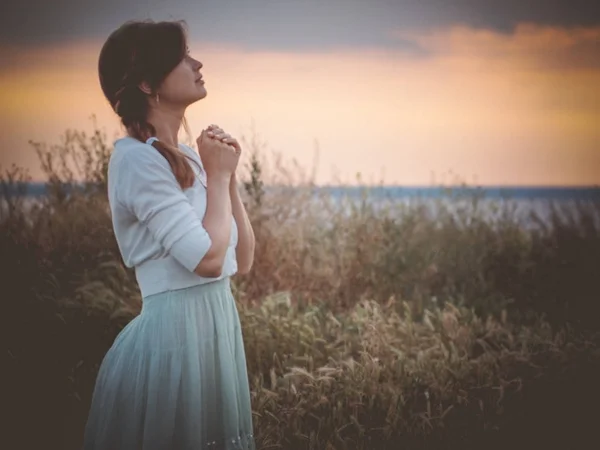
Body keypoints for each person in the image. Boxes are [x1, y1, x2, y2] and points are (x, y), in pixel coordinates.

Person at [83, 19, 256, 449]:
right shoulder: (135, 161)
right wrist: (216, 178)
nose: (196, 63)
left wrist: (226, 177)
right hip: (173, 344)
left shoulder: (190, 161)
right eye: (181, 57)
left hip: (215, 334)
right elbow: (207, 260)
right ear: (147, 83)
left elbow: (243, 258)